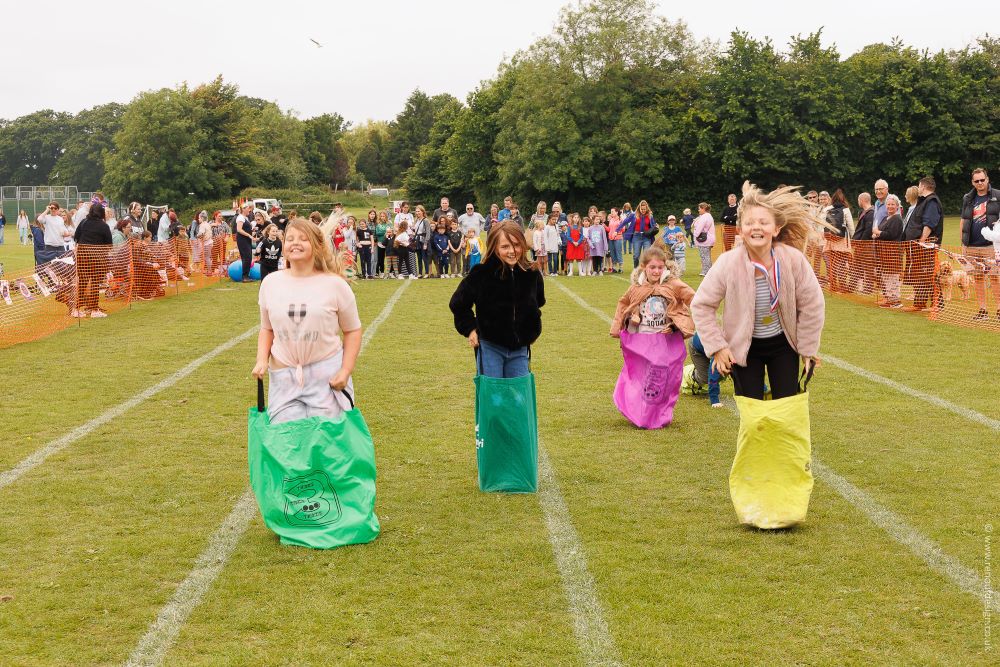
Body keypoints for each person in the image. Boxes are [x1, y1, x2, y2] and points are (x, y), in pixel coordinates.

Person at [691, 182, 826, 401]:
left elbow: (812, 304)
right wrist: (717, 347)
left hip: (784, 346)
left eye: (764, 222)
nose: (756, 227)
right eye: (749, 222)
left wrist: (808, 348)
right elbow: (702, 305)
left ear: (776, 229)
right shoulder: (728, 263)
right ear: (740, 229)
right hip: (743, 349)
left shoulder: (793, 260)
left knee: (787, 408)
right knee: (750, 411)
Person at [251, 218, 362, 425]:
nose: (295, 243)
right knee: (286, 447)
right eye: (290, 238)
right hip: (283, 377)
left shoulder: (335, 285)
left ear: (317, 246)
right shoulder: (270, 283)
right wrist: (261, 360)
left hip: (326, 377)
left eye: (303, 239)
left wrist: (345, 370)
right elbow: (267, 329)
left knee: (327, 448)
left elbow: (353, 330)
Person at [449, 221, 545, 378]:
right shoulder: (481, 273)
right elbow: (458, 304)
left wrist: (532, 331)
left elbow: (537, 304)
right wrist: (470, 329)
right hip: (490, 347)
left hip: (520, 349)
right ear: (494, 248)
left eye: (516, 245)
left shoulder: (532, 274)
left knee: (518, 397)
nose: (512, 251)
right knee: (493, 396)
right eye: (505, 246)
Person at [610, 245, 695, 337]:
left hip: (667, 338)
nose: (657, 271)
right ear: (643, 267)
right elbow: (623, 304)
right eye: (652, 267)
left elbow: (693, 299)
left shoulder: (673, 284)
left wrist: (674, 327)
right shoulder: (637, 287)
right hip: (643, 337)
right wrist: (630, 318)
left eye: (660, 267)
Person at [959, 168, 1000, 322]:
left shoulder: (997, 195)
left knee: (995, 278)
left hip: (991, 246)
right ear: (972, 182)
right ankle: (982, 310)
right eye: (977, 181)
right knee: (978, 278)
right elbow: (963, 220)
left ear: (987, 179)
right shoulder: (968, 198)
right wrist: (963, 243)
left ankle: (999, 309)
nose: (980, 183)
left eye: (982, 180)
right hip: (972, 246)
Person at [902, 177, 944, 312]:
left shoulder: (931, 201)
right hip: (918, 245)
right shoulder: (924, 201)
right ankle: (919, 303)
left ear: (923, 187)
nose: (918, 188)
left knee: (928, 274)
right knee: (920, 275)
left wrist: (922, 241)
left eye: (919, 186)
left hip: (925, 245)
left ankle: (937, 304)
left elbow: (929, 223)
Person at [73, 202, 114, 318]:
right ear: (102, 213)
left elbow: (76, 237)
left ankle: (76, 309)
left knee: (83, 283)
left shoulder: (83, 222)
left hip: (82, 256)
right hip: (97, 259)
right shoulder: (104, 226)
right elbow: (109, 245)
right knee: (95, 283)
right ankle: (94, 310)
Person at [873, 194, 905, 309]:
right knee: (886, 276)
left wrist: (878, 233)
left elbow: (891, 235)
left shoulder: (897, 219)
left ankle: (896, 301)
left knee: (892, 278)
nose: (890, 206)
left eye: (892, 204)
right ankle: (889, 299)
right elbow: (881, 232)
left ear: (897, 206)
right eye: (888, 204)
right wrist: (876, 234)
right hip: (884, 253)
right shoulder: (887, 218)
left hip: (892, 253)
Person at [823, 189, 854, 293]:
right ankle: (842, 285)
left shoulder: (827, 209)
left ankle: (833, 285)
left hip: (830, 240)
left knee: (832, 263)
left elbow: (824, 224)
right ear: (843, 199)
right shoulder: (846, 210)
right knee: (841, 263)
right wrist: (853, 240)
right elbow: (851, 227)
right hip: (841, 241)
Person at [617, 200, 657, 269]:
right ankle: (636, 269)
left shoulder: (650, 215)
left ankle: (646, 269)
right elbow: (624, 222)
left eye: (644, 209)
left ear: (647, 208)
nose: (643, 210)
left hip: (646, 237)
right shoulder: (634, 215)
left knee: (646, 255)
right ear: (639, 208)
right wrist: (617, 230)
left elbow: (653, 225)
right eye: (642, 209)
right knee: (636, 256)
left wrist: (656, 227)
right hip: (637, 236)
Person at [852, 192, 876, 293]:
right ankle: (853, 285)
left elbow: (868, 230)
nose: (858, 202)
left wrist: (861, 242)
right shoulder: (863, 212)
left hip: (866, 244)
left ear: (862, 200)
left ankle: (868, 288)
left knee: (868, 266)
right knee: (857, 265)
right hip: (860, 244)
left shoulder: (871, 212)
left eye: (858, 200)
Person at [691, 202, 715, 276]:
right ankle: (706, 270)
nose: (698, 210)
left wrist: (695, 235)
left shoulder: (704, 217)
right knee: (705, 255)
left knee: (704, 256)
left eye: (699, 209)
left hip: (705, 239)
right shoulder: (708, 216)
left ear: (703, 209)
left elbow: (699, 228)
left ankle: (707, 271)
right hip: (708, 239)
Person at [234, 203, 255, 282]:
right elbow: (239, 229)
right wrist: (249, 235)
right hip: (242, 240)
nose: (249, 210)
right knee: (246, 257)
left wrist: (252, 230)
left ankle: (246, 275)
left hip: (246, 240)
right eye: (248, 208)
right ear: (243, 209)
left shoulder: (245, 218)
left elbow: (246, 228)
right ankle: (245, 277)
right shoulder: (240, 217)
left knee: (248, 257)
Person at [411, 205, 431, 277]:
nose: (417, 213)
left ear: (422, 211)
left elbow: (428, 233)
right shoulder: (416, 220)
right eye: (416, 211)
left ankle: (426, 273)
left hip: (423, 240)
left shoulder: (425, 220)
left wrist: (426, 243)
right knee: (419, 257)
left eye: (419, 211)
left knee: (424, 257)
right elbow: (416, 231)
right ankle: (420, 273)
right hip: (417, 240)